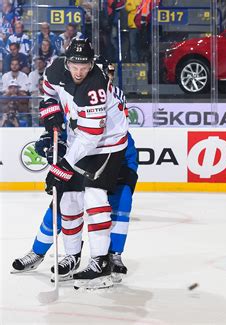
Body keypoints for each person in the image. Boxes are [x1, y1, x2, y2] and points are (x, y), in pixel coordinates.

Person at [12, 56, 138, 283]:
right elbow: (58, 114)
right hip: (84, 150)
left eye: (109, 70)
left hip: (113, 152)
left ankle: (112, 256)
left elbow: (98, 132)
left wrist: (65, 159)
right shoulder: (74, 86)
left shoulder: (101, 92)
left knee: (118, 202)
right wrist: (51, 135)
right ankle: (44, 252)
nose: (107, 73)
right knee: (64, 201)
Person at [37, 38, 129, 289]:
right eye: (75, 65)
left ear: (91, 65)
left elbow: (92, 137)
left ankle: (100, 261)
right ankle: (72, 256)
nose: (79, 71)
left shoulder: (95, 85)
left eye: (85, 66)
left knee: (94, 196)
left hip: (107, 143)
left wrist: (63, 166)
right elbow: (47, 94)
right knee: (68, 198)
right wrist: (50, 111)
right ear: (67, 63)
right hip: (82, 139)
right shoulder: (55, 69)